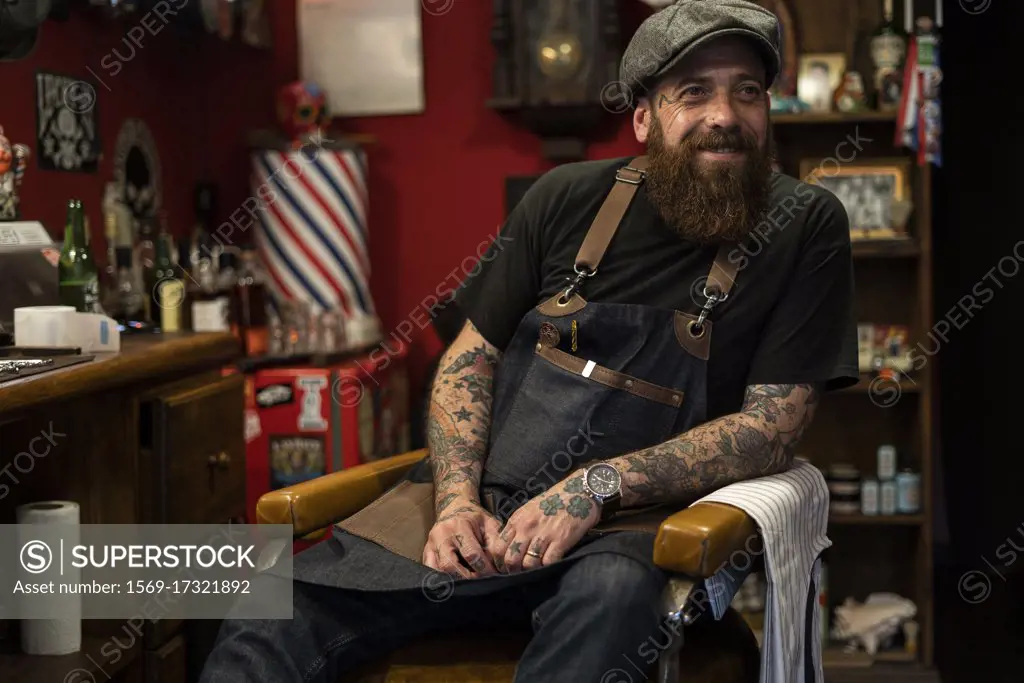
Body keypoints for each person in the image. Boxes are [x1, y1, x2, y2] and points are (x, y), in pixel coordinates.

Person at [199, 1, 857, 681]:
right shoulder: (565, 196)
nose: (724, 114)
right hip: (477, 515)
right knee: (273, 601)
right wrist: (456, 499)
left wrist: (596, 485)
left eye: (747, 91)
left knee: (612, 598)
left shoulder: (803, 225)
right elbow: (469, 357)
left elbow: (771, 427)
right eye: (694, 92)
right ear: (643, 120)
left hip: (627, 531)